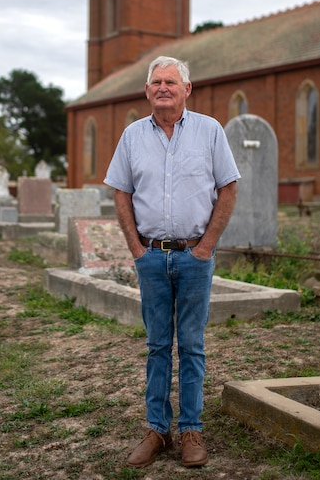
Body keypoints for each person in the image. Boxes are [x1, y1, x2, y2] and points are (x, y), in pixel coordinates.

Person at [104, 55, 239, 468]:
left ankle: (191, 430)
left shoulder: (209, 131)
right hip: (152, 258)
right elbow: (121, 192)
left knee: (193, 346)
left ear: (186, 89)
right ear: (147, 91)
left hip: (195, 257)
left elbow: (228, 188)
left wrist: (206, 247)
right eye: (157, 82)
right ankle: (157, 430)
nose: (163, 88)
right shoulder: (131, 136)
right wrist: (136, 250)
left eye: (171, 82)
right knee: (158, 346)